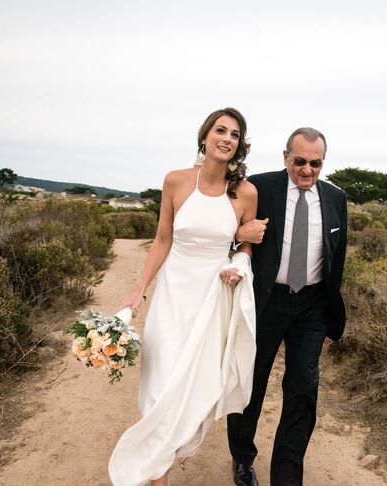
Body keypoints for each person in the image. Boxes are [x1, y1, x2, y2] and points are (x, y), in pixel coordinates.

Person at [108, 108, 258, 486]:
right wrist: (138, 291)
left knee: (193, 393)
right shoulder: (175, 181)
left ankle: (160, 465)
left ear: (240, 145)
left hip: (212, 302)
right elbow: (163, 239)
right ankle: (159, 477)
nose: (227, 138)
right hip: (172, 296)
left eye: (235, 134)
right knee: (159, 388)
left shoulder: (245, 193)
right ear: (204, 137)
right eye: (220, 130)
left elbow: (244, 247)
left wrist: (239, 262)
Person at [227, 128, 348, 486]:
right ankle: (242, 458)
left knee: (302, 390)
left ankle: (286, 475)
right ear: (285, 157)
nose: (308, 170)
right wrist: (238, 236)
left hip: (311, 306)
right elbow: (224, 231)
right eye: (300, 161)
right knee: (249, 385)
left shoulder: (335, 198)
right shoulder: (258, 188)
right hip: (266, 301)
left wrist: (328, 313)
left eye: (316, 163)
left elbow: (335, 259)